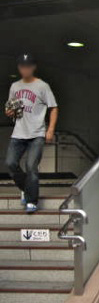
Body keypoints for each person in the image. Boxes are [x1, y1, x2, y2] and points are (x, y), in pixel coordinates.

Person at [5, 54, 58, 213]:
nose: (25, 69)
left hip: (37, 134)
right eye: (22, 66)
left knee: (31, 166)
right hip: (18, 133)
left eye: (27, 66)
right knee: (10, 163)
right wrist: (9, 112)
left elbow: (54, 107)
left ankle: (32, 201)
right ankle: (26, 189)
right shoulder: (15, 86)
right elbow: (10, 108)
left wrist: (50, 130)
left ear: (33, 67)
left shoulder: (42, 86)